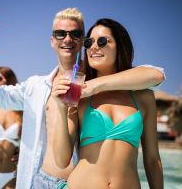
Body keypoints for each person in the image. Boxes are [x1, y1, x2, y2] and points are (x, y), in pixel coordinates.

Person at [0, 7, 165, 189]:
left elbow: (156, 75)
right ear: (52, 40)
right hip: (42, 179)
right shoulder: (36, 86)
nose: (67, 39)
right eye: (60, 33)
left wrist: (91, 86)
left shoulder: (102, 88)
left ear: (81, 40)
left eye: (76, 34)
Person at [52, 18, 163, 189]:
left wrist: (96, 85)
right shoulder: (79, 97)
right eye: (89, 42)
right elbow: (61, 160)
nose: (94, 47)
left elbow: (152, 159)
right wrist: (60, 109)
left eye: (103, 41)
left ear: (120, 46)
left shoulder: (143, 97)